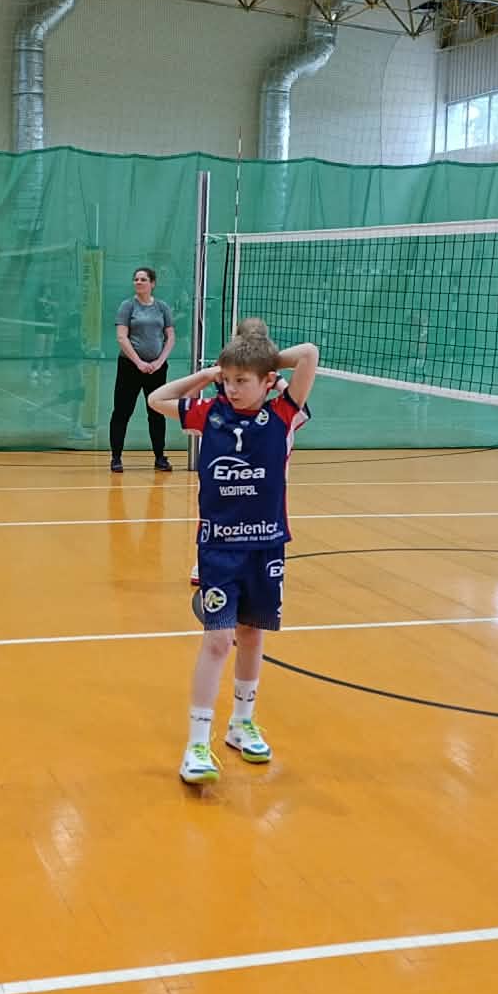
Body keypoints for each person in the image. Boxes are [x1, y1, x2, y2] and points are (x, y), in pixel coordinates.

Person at [150, 319, 319, 787]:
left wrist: (260, 360)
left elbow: (308, 353)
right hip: (220, 548)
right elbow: (157, 399)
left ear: (268, 381)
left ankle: (242, 724)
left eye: (242, 380)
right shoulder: (210, 412)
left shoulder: (284, 413)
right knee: (218, 641)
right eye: (228, 379)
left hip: (266, 544)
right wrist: (210, 374)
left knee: (252, 635)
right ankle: (196, 744)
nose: (232, 387)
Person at [111, 266, 176, 474]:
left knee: (156, 411)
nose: (138, 282)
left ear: (152, 283)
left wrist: (159, 361)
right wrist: (138, 362)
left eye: (143, 279)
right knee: (122, 411)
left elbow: (170, 337)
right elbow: (122, 337)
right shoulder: (127, 306)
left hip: (156, 369)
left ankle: (159, 457)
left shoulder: (162, 307)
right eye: (136, 279)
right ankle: (116, 457)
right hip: (130, 367)